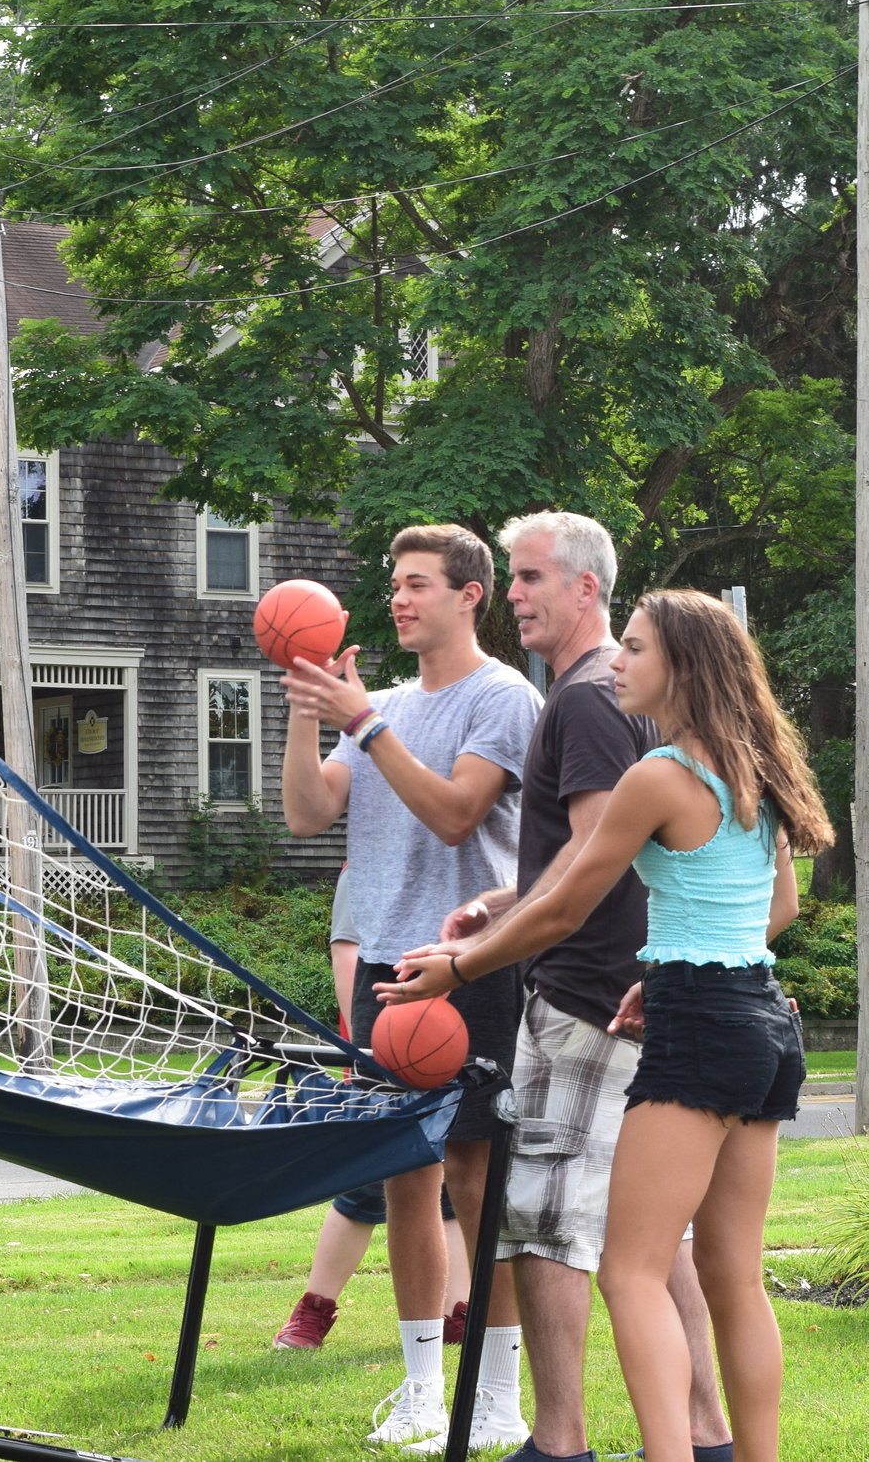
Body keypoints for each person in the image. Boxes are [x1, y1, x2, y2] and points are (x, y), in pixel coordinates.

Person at [377, 589, 831, 1462]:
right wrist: (662, 975)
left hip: (702, 1030)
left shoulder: (659, 774)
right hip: (765, 1022)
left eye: (634, 647)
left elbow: (565, 908)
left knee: (629, 1270)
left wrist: (459, 967)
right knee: (732, 1275)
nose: (616, 663)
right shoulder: (756, 770)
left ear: (682, 667)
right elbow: (778, 906)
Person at [419, 512, 733, 1462]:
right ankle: (705, 1433)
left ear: (585, 587)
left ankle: (558, 1444)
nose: (512, 593)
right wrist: (503, 898)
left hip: (586, 998)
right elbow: (599, 851)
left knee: (547, 1224)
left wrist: (492, 945)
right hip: (639, 991)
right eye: (511, 578)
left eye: (528, 577)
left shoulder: (590, 696)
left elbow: (596, 869)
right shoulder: (638, 692)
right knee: (648, 1236)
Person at [280, 524, 541, 1450]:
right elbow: (309, 810)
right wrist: (310, 704)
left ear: (470, 595)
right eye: (394, 583)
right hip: (386, 967)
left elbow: (456, 811)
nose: (399, 598)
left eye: (419, 583)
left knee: (476, 1177)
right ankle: (425, 1388)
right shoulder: (379, 700)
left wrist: (363, 721)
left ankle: (500, 1395)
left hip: (471, 959)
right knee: (401, 1179)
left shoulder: (501, 695)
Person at [274, 934, 473, 1351]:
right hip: (391, 1016)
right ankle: (315, 1309)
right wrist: (364, 1044)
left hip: (468, 992)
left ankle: (458, 1312)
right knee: (370, 1177)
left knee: (461, 1173)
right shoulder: (367, 873)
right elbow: (346, 949)